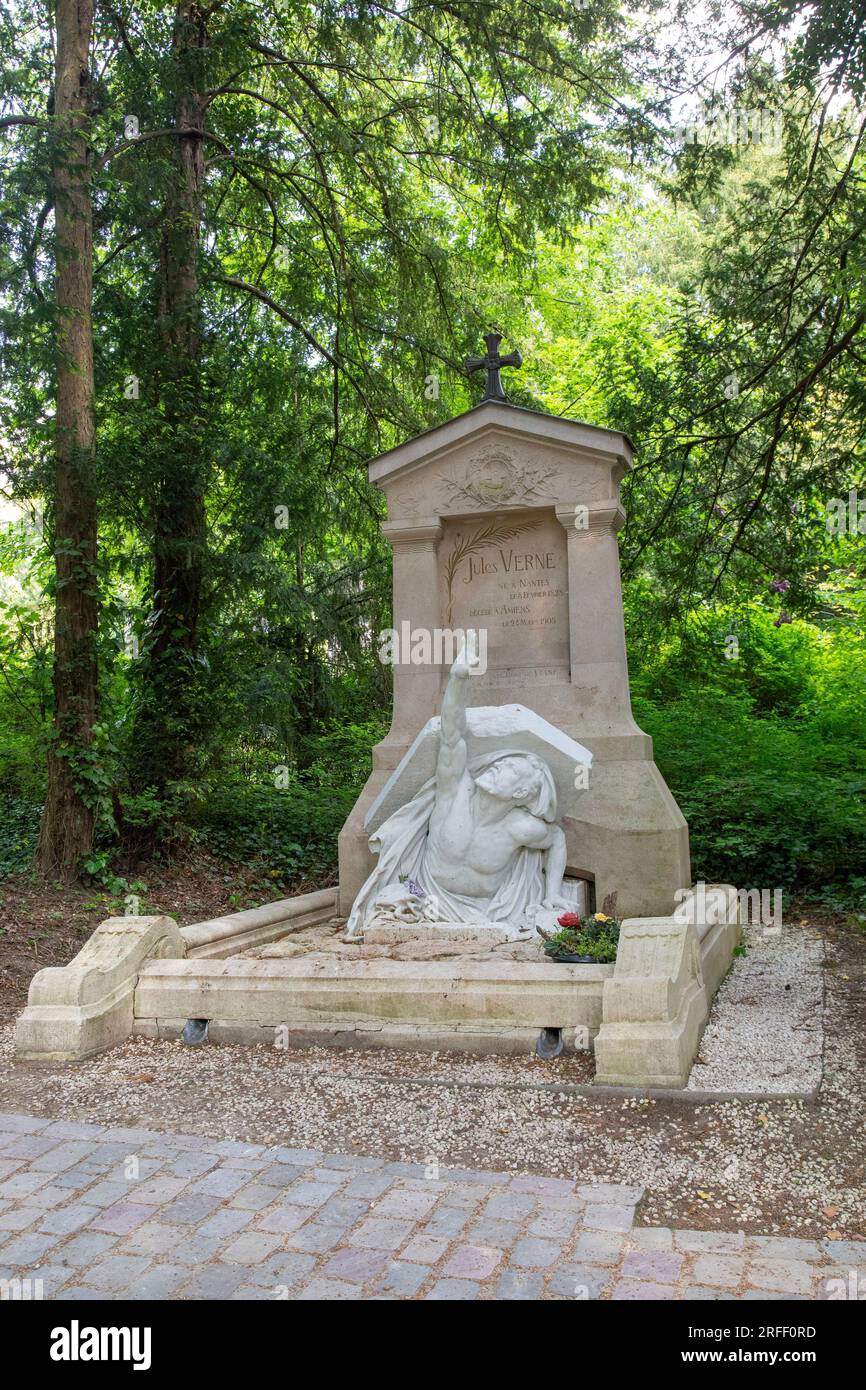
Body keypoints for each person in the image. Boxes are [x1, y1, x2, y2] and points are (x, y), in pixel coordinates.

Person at [345, 631, 572, 938]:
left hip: (484, 909)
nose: (497, 766)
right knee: (394, 899)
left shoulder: (520, 827)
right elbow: (452, 735)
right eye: (501, 762)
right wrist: (458, 679)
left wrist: (553, 893)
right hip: (422, 891)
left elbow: (556, 838)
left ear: (521, 793)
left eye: (509, 769)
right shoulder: (456, 792)